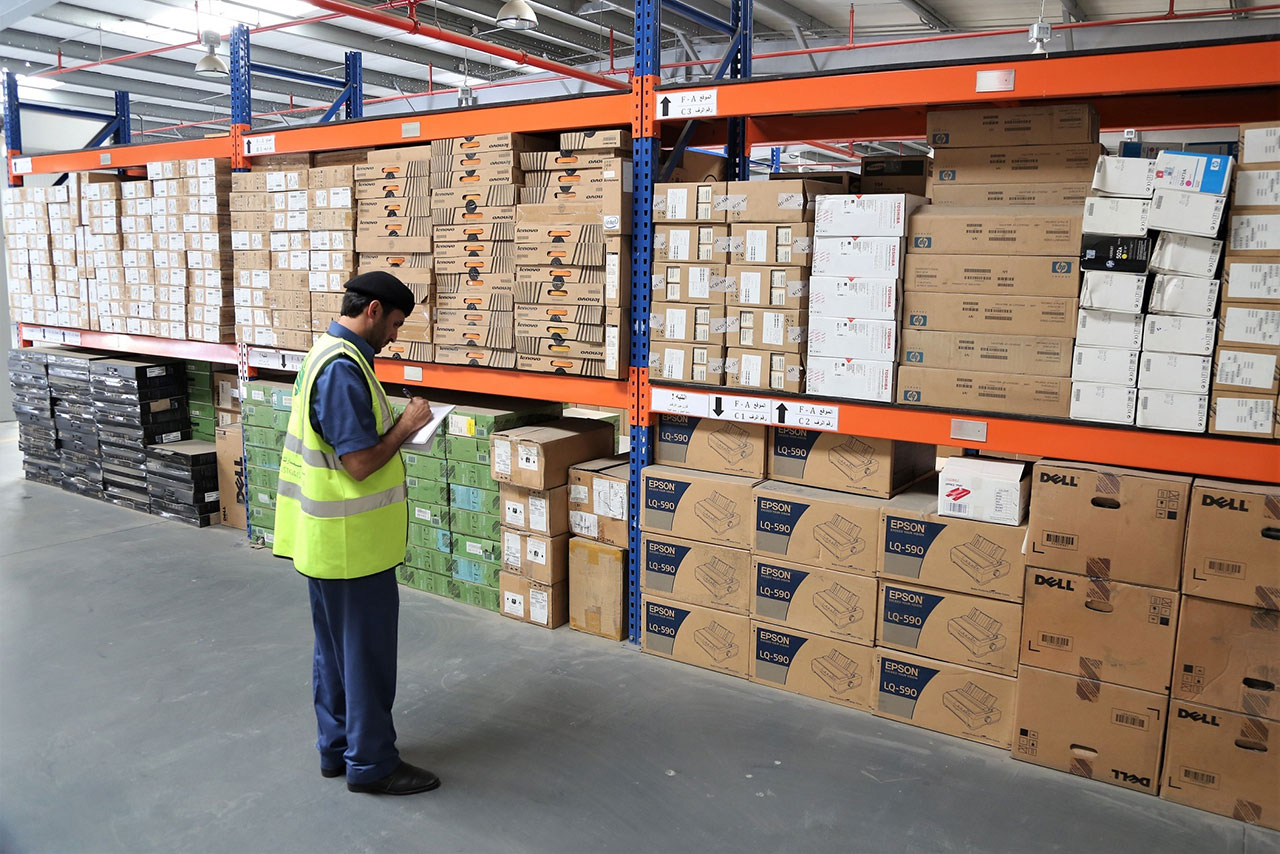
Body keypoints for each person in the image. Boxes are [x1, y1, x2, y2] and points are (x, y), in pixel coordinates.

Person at [273, 270, 440, 796]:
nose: (394, 335)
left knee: (335, 654)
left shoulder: (324, 353)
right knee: (365, 660)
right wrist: (406, 426)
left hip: (326, 543)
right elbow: (361, 464)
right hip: (353, 548)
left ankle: (337, 749)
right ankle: (371, 765)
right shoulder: (343, 370)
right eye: (395, 323)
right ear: (372, 310)